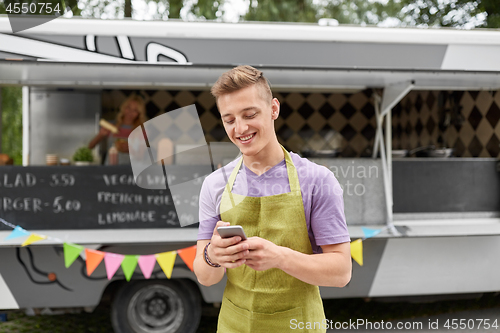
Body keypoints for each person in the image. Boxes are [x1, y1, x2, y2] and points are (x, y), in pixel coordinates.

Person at [193, 65, 351, 333]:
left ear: (274, 109)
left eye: (250, 114)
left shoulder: (317, 180)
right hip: (235, 324)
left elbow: (341, 272)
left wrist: (279, 257)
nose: (240, 128)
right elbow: (206, 277)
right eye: (229, 119)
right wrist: (212, 256)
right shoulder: (215, 184)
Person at [88, 93, 148, 164]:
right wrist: (100, 135)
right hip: (110, 169)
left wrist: (130, 150)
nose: (130, 112)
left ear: (139, 113)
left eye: (135, 110)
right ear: (123, 107)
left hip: (130, 171)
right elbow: (90, 146)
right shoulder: (111, 125)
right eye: (128, 107)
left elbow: (143, 157)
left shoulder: (141, 131)